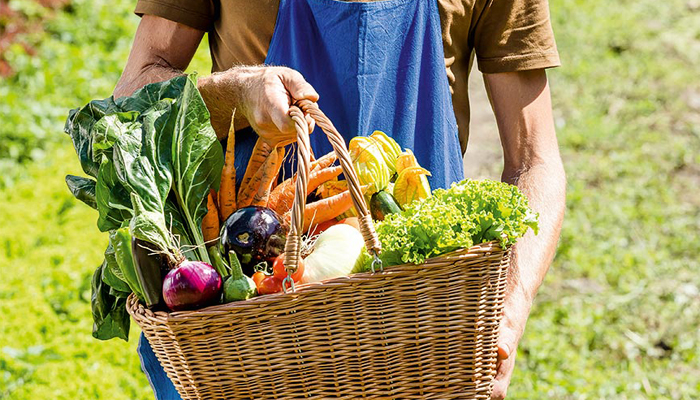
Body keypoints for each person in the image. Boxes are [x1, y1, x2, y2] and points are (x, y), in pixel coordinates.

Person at [115, 0, 566, 398]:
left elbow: (534, 160)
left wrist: (509, 308)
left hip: (422, 321)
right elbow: (133, 91)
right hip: (254, 325)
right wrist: (238, 91)